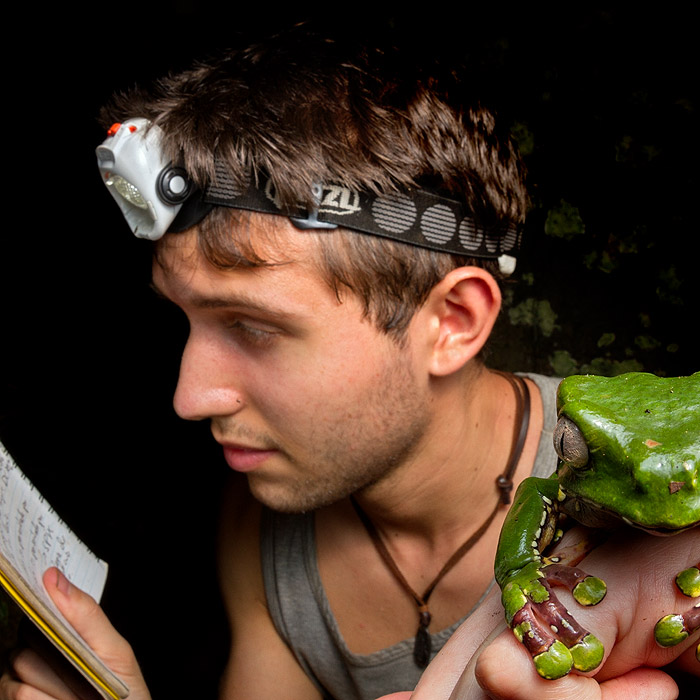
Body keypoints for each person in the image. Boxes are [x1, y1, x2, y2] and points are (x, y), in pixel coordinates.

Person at [1, 25, 697, 700]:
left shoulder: (663, 496)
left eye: (253, 326)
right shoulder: (260, 520)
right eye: (187, 320)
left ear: (452, 324)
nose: (190, 397)